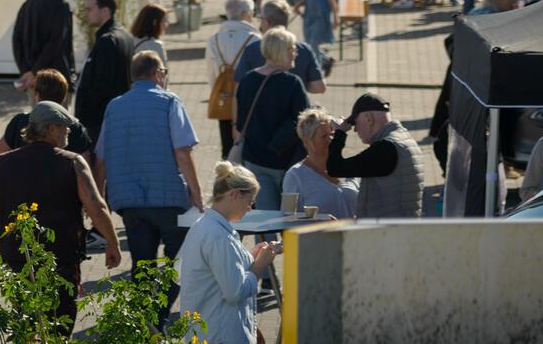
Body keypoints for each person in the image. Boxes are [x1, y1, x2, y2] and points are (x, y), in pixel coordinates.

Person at [0, 103, 119, 333]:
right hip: (60, 261)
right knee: (59, 328)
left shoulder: (3, 163)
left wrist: (0, 246)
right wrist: (113, 242)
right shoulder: (72, 162)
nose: (68, 132)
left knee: (25, 326)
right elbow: (96, 207)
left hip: (18, 258)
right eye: (65, 127)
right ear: (51, 128)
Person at [93, 53, 199, 306]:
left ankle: (144, 320)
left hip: (129, 201)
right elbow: (182, 153)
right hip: (169, 197)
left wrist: (98, 200)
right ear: (157, 74)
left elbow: (101, 159)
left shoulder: (114, 106)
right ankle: (160, 317)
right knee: (177, 263)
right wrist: (197, 193)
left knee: (142, 265)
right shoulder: (170, 101)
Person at [178, 162, 278, 344]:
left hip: (207, 331)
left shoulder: (203, 226)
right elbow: (235, 292)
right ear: (235, 195)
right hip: (220, 334)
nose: (250, 208)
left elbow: (205, 273)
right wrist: (258, 266)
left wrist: (250, 258)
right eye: (250, 202)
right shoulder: (218, 235)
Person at [233, 27, 310, 211]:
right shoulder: (292, 83)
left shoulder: (247, 79)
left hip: (255, 159)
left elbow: (241, 122)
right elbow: (306, 124)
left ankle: (267, 242)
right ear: (282, 50)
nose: (296, 52)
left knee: (265, 220)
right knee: (291, 219)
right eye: (292, 48)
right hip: (288, 163)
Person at [327, 93, 424, 219]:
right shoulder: (405, 140)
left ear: (368, 118)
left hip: (386, 233)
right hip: (402, 229)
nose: (355, 130)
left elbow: (335, 168)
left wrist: (340, 133)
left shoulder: (385, 148)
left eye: (355, 123)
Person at [74, 0, 137, 146]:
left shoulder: (107, 40)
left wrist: (85, 106)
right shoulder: (125, 35)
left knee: (99, 166)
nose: (86, 14)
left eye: (89, 9)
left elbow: (102, 84)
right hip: (116, 115)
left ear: (105, 11)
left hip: (100, 119)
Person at [0, 68, 94, 161]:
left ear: (37, 95)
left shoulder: (19, 121)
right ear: (64, 96)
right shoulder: (76, 128)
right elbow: (86, 164)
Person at [206, 0, 259, 158]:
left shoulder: (214, 39)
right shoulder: (255, 39)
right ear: (244, 14)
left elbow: (211, 72)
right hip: (250, 98)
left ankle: (226, 178)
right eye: (252, 12)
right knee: (250, 146)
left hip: (225, 97)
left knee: (227, 146)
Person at [237, 0, 328, 94]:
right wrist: (301, 84)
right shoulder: (303, 49)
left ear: (267, 22)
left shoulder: (251, 49)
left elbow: (238, 87)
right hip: (296, 106)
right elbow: (319, 87)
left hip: (260, 107)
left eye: (261, 19)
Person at [282, 109, 357, 221]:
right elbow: (287, 217)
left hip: (354, 238)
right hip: (319, 238)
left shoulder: (348, 168)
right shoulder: (294, 176)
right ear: (306, 141)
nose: (330, 140)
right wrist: (320, 219)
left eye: (332, 134)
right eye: (324, 136)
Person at [11, 0, 75, 85]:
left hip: (32, 80)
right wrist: (35, 71)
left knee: (37, 106)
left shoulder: (29, 3)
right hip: (55, 80)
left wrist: (26, 71)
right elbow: (57, 42)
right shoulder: (61, 4)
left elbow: (16, 39)